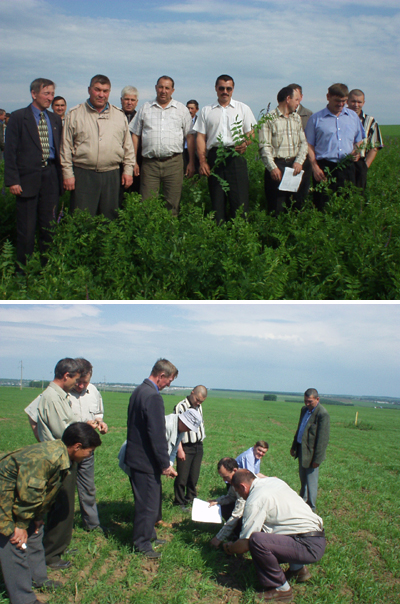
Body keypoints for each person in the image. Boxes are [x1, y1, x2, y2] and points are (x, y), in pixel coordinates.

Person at [0, 422, 101, 604]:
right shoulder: (49, 458)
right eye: (89, 451)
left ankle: (39, 579)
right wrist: (20, 525)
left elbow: (45, 492)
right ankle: (23, 599)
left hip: (20, 493)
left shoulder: (63, 456)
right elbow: (28, 495)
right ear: (77, 447)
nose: (89, 455)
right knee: (13, 541)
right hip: (5, 494)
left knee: (35, 534)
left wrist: (37, 517)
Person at [24, 359, 108, 535]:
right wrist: (42, 440)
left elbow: (98, 414)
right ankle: (56, 534)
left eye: (85, 381)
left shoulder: (93, 392)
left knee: (88, 487)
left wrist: (99, 423)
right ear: (71, 377)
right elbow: (33, 415)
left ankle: (91, 524)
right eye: (79, 381)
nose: (81, 385)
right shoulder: (57, 393)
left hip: (84, 451)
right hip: (64, 453)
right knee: (61, 494)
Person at [224, 470, 326, 602]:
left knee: (257, 540)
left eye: (238, 492)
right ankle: (298, 570)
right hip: (315, 536)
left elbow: (244, 544)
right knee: (271, 532)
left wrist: (230, 548)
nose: (241, 496)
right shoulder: (273, 481)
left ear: (243, 486)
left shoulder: (255, 500)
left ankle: (280, 589)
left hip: (308, 545)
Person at [36, 358, 98, 568]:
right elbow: (65, 432)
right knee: (61, 506)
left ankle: (59, 547)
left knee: (65, 506)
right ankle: (51, 555)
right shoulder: (52, 397)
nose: (77, 385)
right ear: (66, 376)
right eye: (75, 379)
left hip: (65, 456)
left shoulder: (57, 395)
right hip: (60, 458)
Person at [4, 78, 63, 267]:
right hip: (27, 179)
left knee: (49, 227)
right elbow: (10, 151)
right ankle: (24, 271)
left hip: (51, 176)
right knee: (26, 230)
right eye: (46, 93)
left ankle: (48, 268)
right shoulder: (19, 117)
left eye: (52, 94)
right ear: (34, 93)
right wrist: (13, 180)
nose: (50, 98)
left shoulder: (54, 119)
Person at [61, 74, 135, 220]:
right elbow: (65, 147)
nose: (101, 94)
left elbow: (128, 147)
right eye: (97, 90)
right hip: (84, 174)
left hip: (112, 174)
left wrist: (128, 170)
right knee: (81, 219)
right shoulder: (75, 114)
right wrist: (68, 174)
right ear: (89, 90)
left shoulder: (119, 115)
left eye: (105, 91)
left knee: (110, 219)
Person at [125, 359, 178, 558]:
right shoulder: (153, 397)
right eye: (169, 380)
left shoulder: (139, 391)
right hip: (146, 461)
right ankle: (141, 543)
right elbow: (157, 434)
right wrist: (164, 464)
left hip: (136, 456)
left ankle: (149, 534)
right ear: (161, 376)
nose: (169, 385)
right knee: (147, 503)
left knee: (148, 500)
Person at [195, 74, 256, 223]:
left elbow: (251, 133)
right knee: (217, 202)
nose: (225, 91)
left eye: (228, 88)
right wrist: (203, 161)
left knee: (240, 201)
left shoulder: (242, 108)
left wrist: (246, 143)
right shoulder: (206, 110)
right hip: (215, 157)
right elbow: (200, 137)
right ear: (216, 89)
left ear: (233, 89)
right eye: (221, 88)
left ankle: (239, 236)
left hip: (235, 156)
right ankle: (219, 237)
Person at [130, 75, 195, 216]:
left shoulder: (181, 110)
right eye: (160, 87)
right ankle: (147, 235)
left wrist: (190, 162)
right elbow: (135, 134)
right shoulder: (145, 108)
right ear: (156, 88)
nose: (163, 91)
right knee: (147, 203)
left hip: (174, 163)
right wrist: (133, 161)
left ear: (172, 90)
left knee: (172, 205)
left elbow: (189, 136)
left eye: (167, 88)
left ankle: (169, 234)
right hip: (150, 164)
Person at [305, 83, 365, 210]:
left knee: (347, 204)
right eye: (337, 101)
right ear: (328, 97)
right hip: (324, 168)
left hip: (347, 166)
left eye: (344, 101)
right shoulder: (316, 119)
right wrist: (315, 167)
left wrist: (357, 151)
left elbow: (359, 139)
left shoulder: (353, 117)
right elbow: (309, 145)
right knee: (323, 204)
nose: (341, 104)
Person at [259, 86, 308, 215]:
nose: (298, 103)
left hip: (295, 167)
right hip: (277, 166)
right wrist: (272, 168)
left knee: (295, 205)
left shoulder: (296, 118)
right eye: (296, 99)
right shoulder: (269, 119)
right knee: (277, 207)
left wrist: (299, 161)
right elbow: (264, 146)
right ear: (288, 99)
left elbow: (303, 143)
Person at [290, 388, 330, 511]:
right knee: (303, 480)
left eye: (310, 401)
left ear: (317, 399)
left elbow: (322, 439)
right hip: (302, 450)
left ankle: (311, 508)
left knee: (311, 482)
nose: (307, 404)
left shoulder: (322, 414)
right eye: (305, 401)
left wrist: (317, 459)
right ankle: (302, 505)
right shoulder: (304, 410)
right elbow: (300, 429)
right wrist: (294, 446)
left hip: (312, 454)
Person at [173, 385, 208, 511]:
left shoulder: (199, 407)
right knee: (182, 476)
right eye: (197, 399)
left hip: (198, 445)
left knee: (194, 476)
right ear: (192, 393)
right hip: (185, 446)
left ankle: (191, 499)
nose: (198, 403)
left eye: (201, 401)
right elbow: (176, 430)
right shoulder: (180, 407)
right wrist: (180, 449)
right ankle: (179, 502)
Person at [347, 89, 383, 190]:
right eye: (353, 101)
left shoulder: (370, 121)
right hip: (341, 163)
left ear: (364, 103)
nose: (356, 105)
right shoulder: (338, 119)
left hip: (360, 163)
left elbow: (375, 146)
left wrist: (366, 166)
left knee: (358, 196)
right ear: (347, 101)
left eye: (359, 102)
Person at [209, 457, 245, 548]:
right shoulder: (234, 480)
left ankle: (241, 538)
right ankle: (235, 534)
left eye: (226, 477)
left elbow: (237, 514)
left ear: (235, 470)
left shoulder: (243, 484)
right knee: (224, 506)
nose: (224, 480)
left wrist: (218, 538)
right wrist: (217, 501)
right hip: (243, 511)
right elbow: (231, 497)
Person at [120, 85, 141, 196]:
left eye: (132, 100)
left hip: (137, 163)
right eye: (126, 99)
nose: (129, 102)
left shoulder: (140, 118)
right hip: (118, 163)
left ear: (136, 102)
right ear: (121, 100)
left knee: (135, 193)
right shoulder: (115, 117)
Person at [184, 99, 199, 173]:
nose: (189, 110)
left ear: (197, 110)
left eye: (192, 108)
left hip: (196, 153)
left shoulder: (200, 122)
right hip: (183, 152)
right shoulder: (181, 121)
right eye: (188, 108)